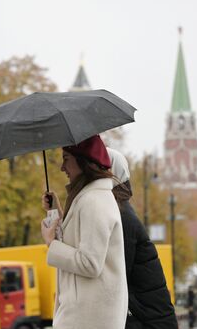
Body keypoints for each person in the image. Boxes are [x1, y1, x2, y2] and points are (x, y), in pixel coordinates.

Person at [41, 135, 128, 329]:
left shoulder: (93, 201)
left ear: (83, 161)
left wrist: (51, 244)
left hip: (88, 318)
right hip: (88, 316)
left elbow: (90, 263)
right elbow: (80, 246)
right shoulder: (89, 198)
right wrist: (56, 213)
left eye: (66, 159)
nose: (62, 168)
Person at [107, 147, 178, 329]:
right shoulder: (119, 211)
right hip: (149, 318)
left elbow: (115, 274)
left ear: (110, 174)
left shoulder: (121, 216)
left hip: (148, 322)